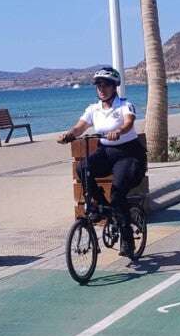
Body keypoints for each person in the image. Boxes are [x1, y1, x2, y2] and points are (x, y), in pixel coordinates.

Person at [57, 66, 146, 258]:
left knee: (117, 194)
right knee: (83, 168)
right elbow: (80, 127)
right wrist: (69, 135)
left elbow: (129, 122)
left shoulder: (124, 105)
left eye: (105, 85)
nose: (101, 88)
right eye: (98, 85)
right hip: (107, 151)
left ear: (114, 87)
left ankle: (127, 239)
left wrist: (119, 132)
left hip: (129, 153)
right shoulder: (93, 109)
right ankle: (100, 206)